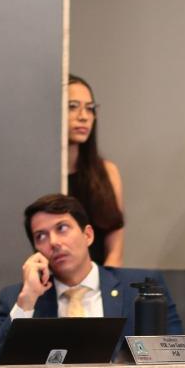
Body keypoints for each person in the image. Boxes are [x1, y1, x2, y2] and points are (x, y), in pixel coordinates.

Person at [0, 194, 180, 364]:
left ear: (88, 235)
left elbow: (177, 355)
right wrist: (27, 300)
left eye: (62, 228)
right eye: (41, 236)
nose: (54, 242)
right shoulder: (18, 298)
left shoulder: (139, 288)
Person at [65, 74, 124, 267]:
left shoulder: (107, 171)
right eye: (72, 107)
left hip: (99, 282)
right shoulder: (39, 174)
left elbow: (115, 250)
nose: (83, 117)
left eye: (90, 109)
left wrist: (105, 288)